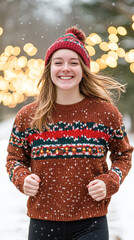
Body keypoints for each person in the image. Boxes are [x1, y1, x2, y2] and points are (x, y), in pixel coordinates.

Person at [6, 26, 133, 240]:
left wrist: (110, 181)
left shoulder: (106, 113)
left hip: (91, 223)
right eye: (58, 63)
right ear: (49, 69)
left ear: (83, 69)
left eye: (73, 63)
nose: (66, 68)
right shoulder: (28, 116)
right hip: (43, 222)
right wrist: (21, 177)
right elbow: (14, 159)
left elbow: (123, 155)